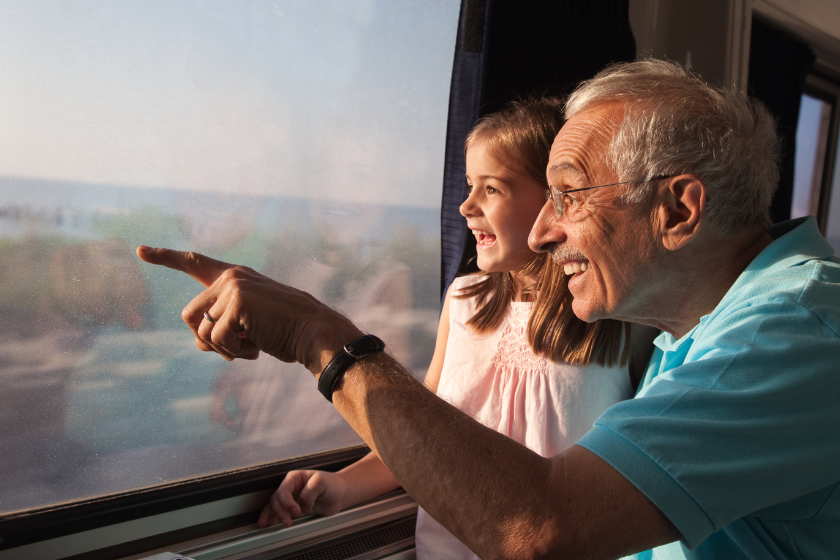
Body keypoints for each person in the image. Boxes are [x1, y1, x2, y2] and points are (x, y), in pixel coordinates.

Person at [137, 58, 840, 560]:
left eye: (568, 196)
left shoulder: (791, 335)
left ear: (678, 210)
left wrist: (317, 335)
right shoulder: (700, 333)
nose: (542, 233)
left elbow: (543, 528)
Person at [252, 98, 633, 558]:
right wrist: (342, 486)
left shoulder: (614, 318)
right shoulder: (463, 302)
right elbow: (423, 434)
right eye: (470, 185)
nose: (466, 206)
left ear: (554, 199)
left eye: (491, 189)